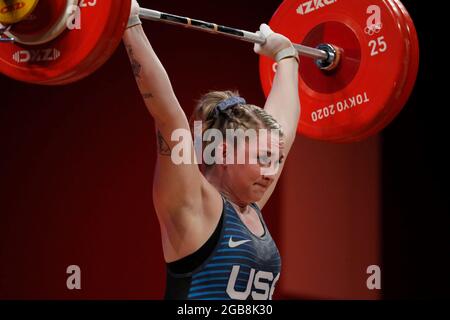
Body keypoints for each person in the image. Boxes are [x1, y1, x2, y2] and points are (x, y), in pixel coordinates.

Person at [123, 0, 300, 300]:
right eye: (263, 159)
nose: (272, 172)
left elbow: (285, 126)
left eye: (277, 160)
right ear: (225, 153)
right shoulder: (194, 206)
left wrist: (287, 56)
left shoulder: (250, 205)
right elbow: (169, 119)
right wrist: (128, 26)